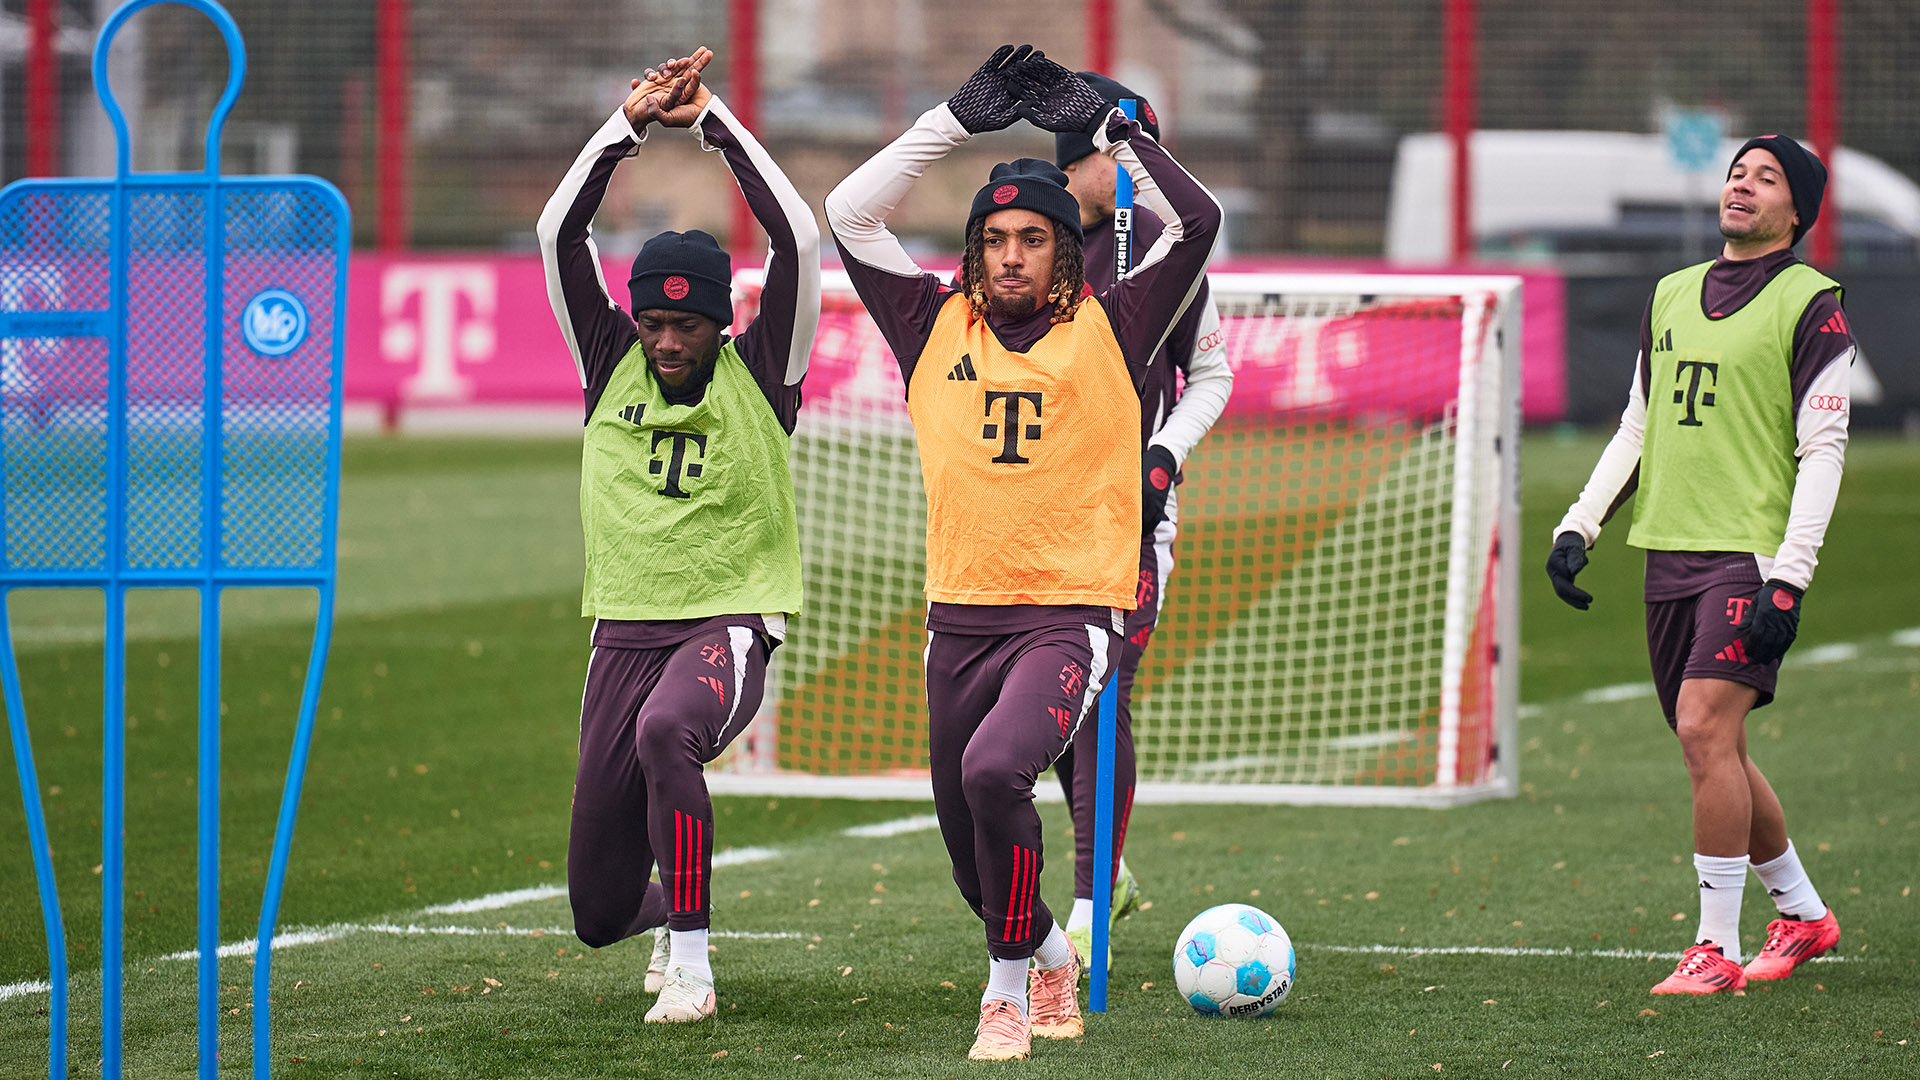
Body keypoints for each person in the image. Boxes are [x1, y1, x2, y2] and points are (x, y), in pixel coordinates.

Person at [826, 45, 1220, 1060]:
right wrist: (953, 120)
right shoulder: (926, 323)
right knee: (971, 855)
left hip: (1071, 612)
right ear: (972, 251)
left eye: (1033, 240)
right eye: (995, 239)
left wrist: (1122, 131)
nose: (1011, 256)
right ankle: (1046, 954)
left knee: (999, 770)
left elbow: (1199, 224)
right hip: (959, 615)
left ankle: (1007, 994)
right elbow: (849, 214)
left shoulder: (1117, 324)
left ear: (1065, 255)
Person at [535, 48, 820, 1023]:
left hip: (729, 620)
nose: (664, 342)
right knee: (596, 909)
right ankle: (666, 916)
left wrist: (712, 125)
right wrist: (625, 129)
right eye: (652, 322)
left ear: (718, 324)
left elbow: (801, 239)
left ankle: (694, 969)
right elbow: (556, 231)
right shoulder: (606, 358)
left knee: (670, 735)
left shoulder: (764, 367)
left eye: (684, 327)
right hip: (621, 633)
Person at [1546, 133, 1853, 996]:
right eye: (1737, 173)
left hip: (1749, 553)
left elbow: (1823, 450)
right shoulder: (1672, 293)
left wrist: (1790, 575)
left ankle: (1714, 951)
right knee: (1713, 745)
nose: (1743, 186)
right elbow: (1639, 426)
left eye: (1767, 179)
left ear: (1798, 211)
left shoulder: (1813, 303)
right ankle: (1802, 915)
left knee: (1703, 730)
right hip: (1667, 548)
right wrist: (1580, 524)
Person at [1048, 74, 1233, 967]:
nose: (1133, 171)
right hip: (1029, 511)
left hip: (1130, 509)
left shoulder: (1160, 244)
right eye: (1116, 152)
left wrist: (1165, 452)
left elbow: (1214, 374)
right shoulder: (1027, 245)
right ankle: (1107, 868)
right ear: (1077, 161)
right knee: (1048, 705)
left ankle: (1091, 890)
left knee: (1102, 687)